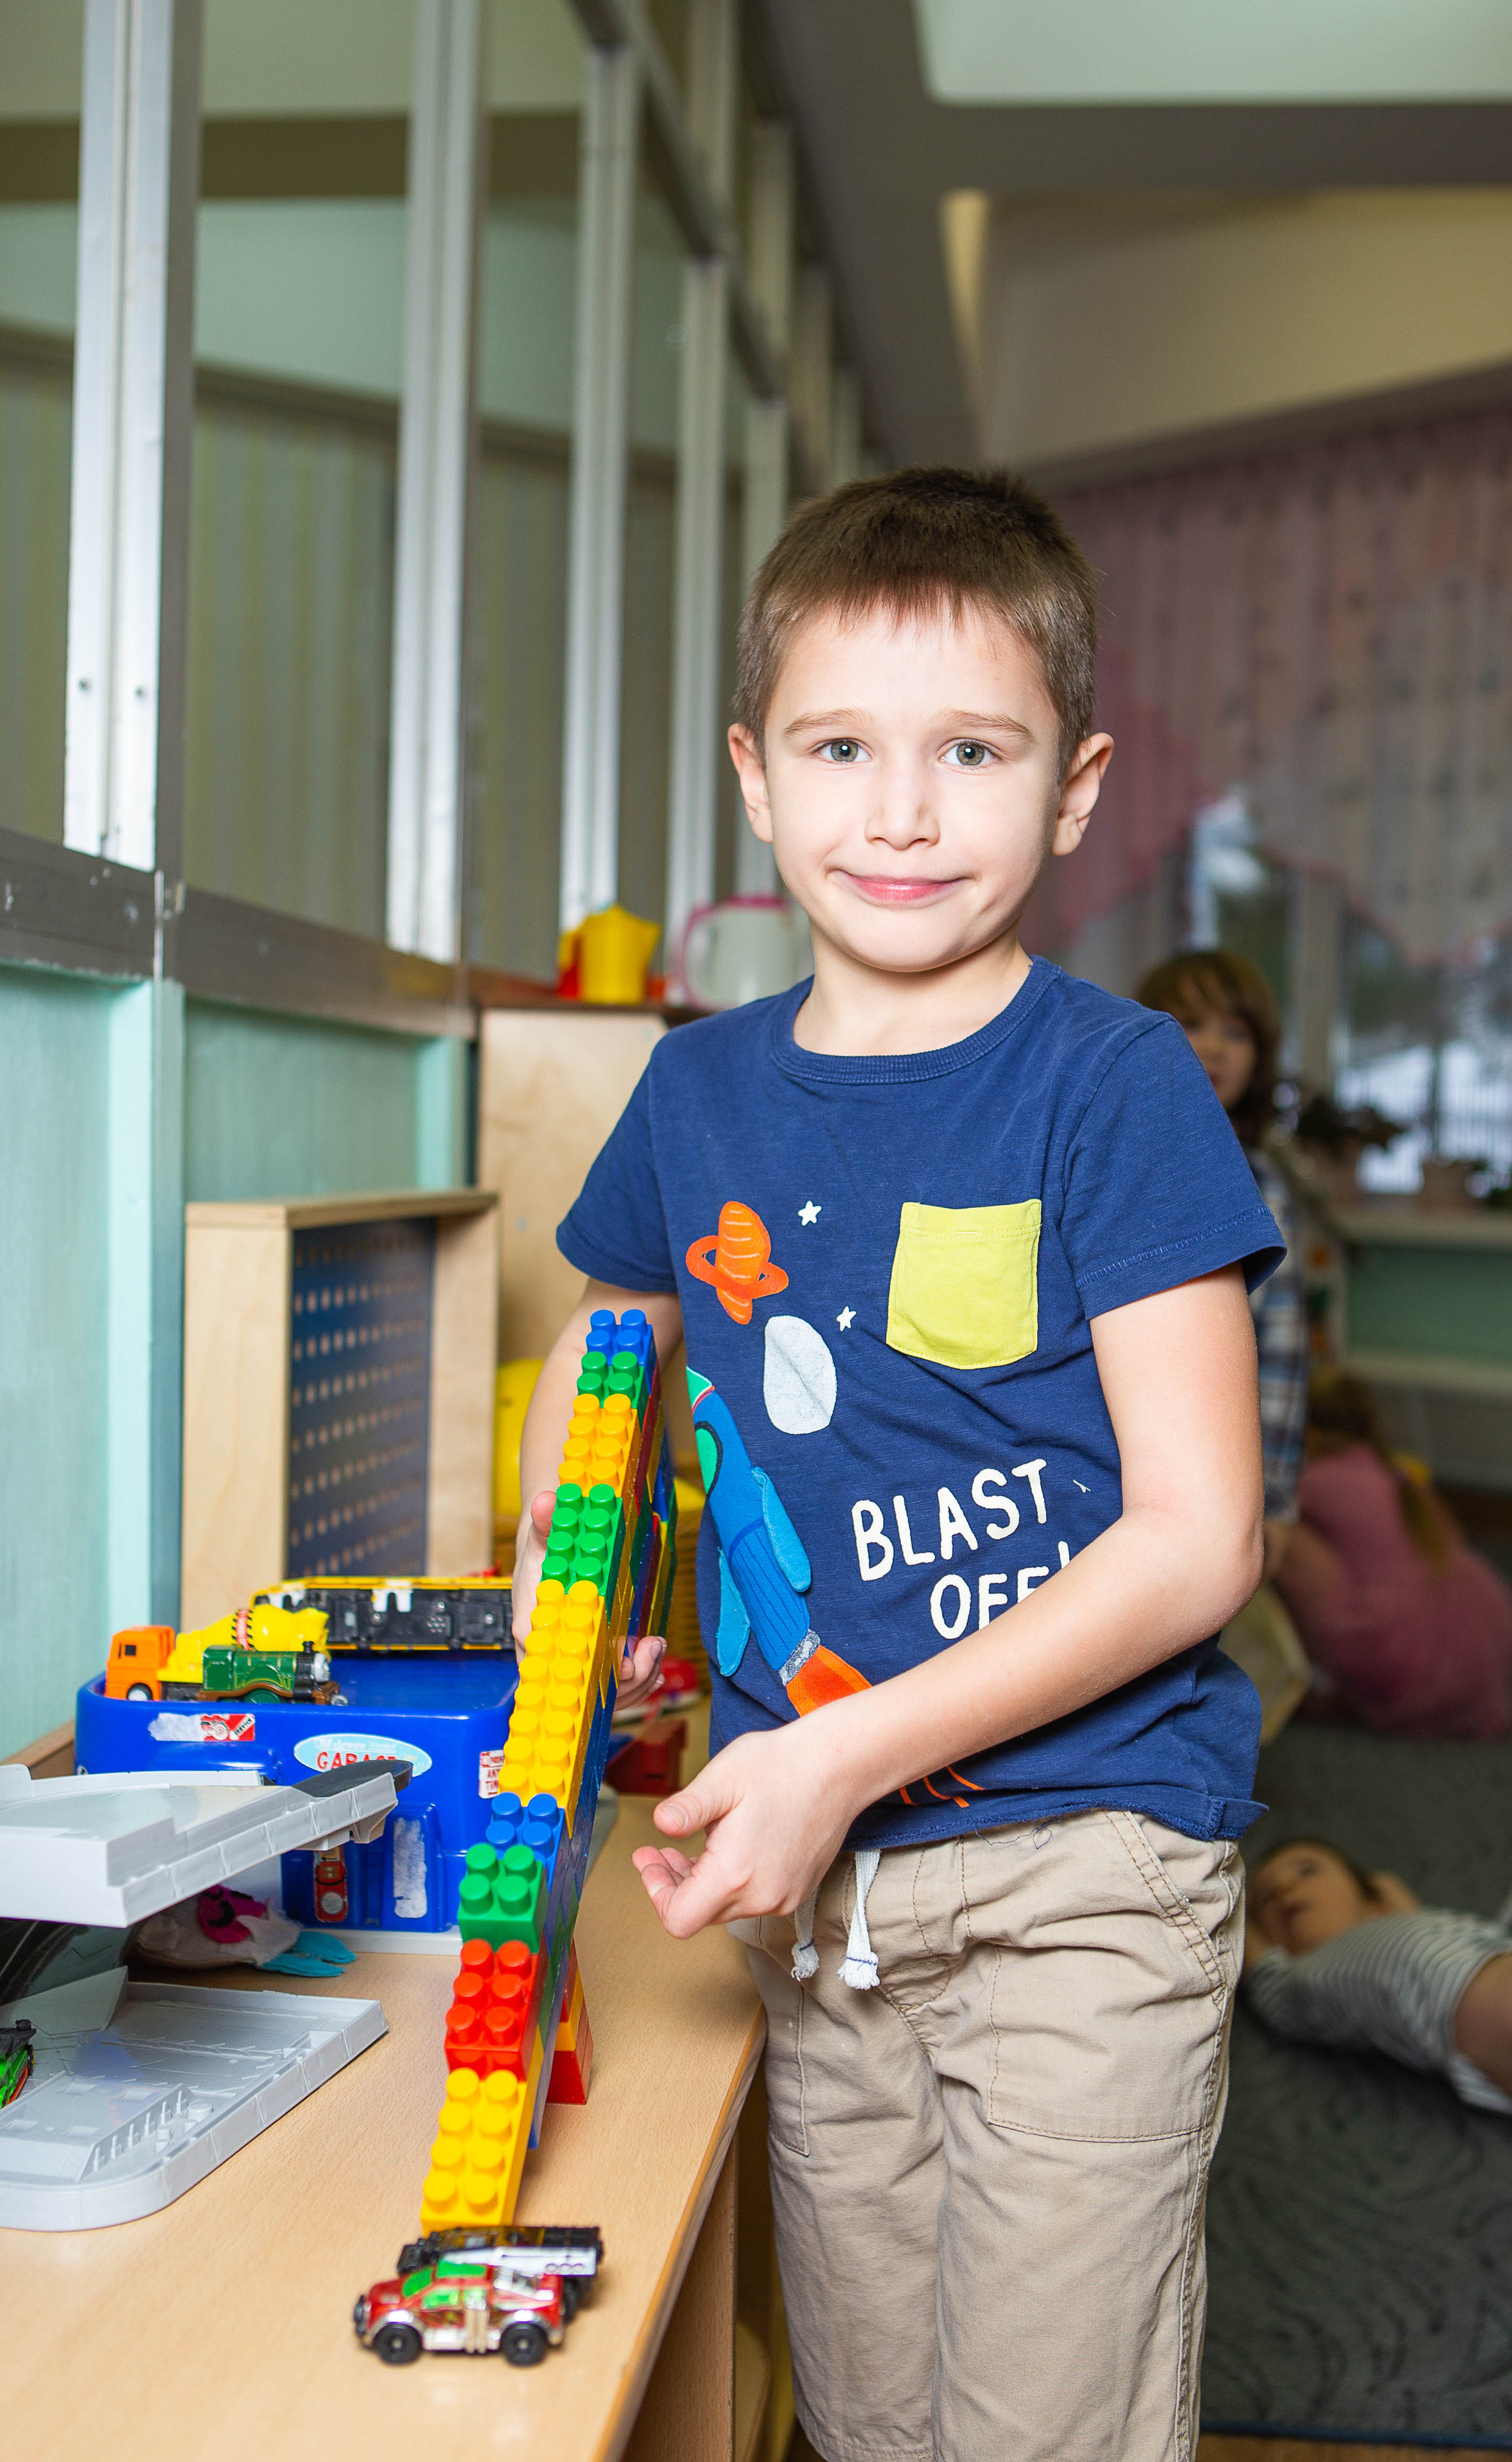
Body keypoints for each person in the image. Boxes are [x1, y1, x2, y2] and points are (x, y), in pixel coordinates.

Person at [513, 467, 1284, 2462]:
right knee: (867, 2420)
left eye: (973, 749)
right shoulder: (690, 1093)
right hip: (821, 1891)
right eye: (845, 748)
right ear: (759, 779)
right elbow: (607, 1335)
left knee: (1039, 2431)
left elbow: (1203, 1539)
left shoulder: (1108, 1086)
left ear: (1077, 785)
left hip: (1083, 1863)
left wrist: (842, 1751)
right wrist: (558, 1585)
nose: (905, 808)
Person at [1136, 949, 1309, 1566]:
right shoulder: (1112, 1160)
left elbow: (1282, 1353)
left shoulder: (1262, 1184)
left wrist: (1276, 1502)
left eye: (1236, 1032)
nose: (1213, 1047)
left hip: (1218, 1476)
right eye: (1191, 1024)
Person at [1270, 1368, 1512, 1738]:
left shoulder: (1319, 1479)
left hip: (1401, 1657)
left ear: (1308, 1434)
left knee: (1278, 1534)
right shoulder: (1395, 1475)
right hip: (1478, 1648)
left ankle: (1303, 1677)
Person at [1245, 1835, 1512, 2114]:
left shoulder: (1409, 1923)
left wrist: (1388, 1896)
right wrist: (1236, 1908)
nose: (1284, 1889)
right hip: (1467, 2002)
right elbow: (1266, 1983)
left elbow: (1414, 1922)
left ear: (1372, 1898)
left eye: (1307, 1871)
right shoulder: (1303, 1978)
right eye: (1266, 1899)